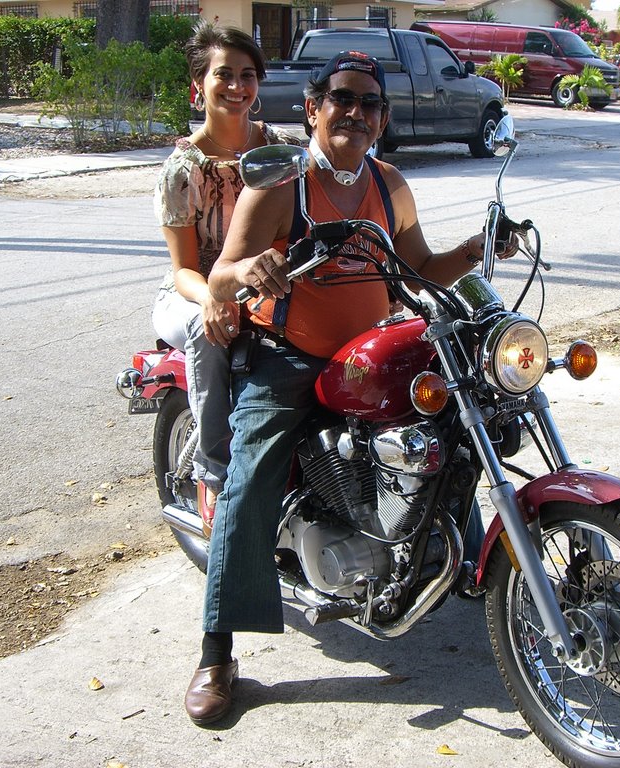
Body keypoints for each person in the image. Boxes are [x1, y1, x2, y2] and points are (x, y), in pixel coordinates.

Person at [182, 50, 515, 727]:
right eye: (342, 99)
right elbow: (218, 277)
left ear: (382, 119)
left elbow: (420, 266)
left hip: (371, 353)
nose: (355, 113)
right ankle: (217, 651)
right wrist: (255, 268)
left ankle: (459, 560)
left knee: (455, 421)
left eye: (369, 103)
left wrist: (483, 245)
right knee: (250, 479)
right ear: (312, 108)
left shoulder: (388, 184)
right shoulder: (281, 184)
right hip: (288, 357)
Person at [151, 22, 298, 539]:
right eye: (224, 75)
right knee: (206, 331)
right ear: (199, 86)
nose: (237, 86)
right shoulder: (182, 170)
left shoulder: (281, 150)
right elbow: (184, 269)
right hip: (192, 293)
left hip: (267, 283)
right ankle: (217, 474)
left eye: (247, 75)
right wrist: (215, 299)